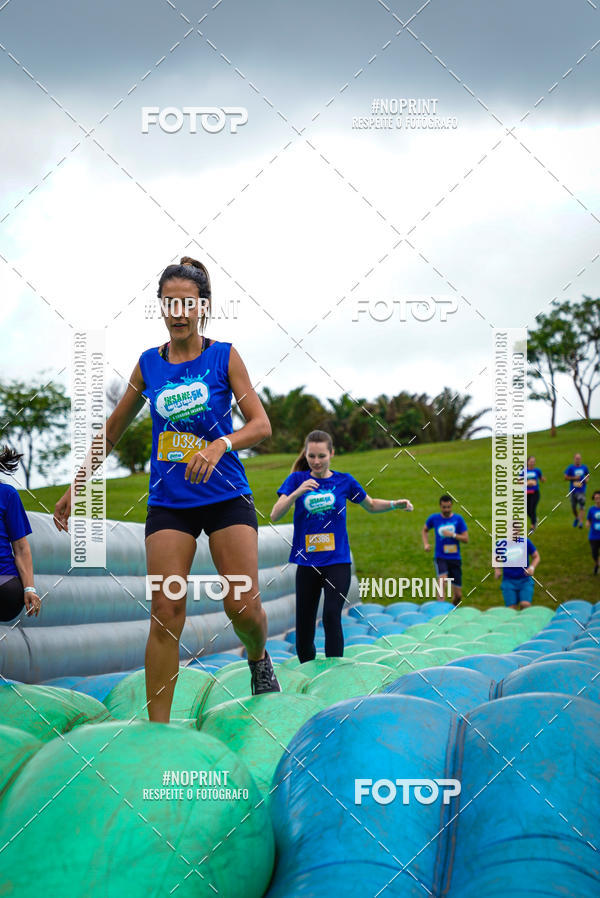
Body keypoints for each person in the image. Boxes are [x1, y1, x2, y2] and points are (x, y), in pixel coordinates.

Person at [54, 256, 280, 723]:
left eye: (187, 303)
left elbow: (261, 426)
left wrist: (220, 444)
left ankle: (257, 656)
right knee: (165, 607)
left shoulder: (224, 356)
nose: (178, 312)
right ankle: (159, 731)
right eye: (169, 302)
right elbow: (113, 431)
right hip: (170, 504)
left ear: (203, 307)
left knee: (241, 603)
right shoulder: (148, 365)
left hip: (226, 497)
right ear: (160, 306)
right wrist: (78, 486)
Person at [270, 430, 413, 663]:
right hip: (307, 564)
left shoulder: (344, 481)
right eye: (312, 456)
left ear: (332, 454)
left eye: (322, 456)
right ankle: (307, 673)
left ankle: (334, 672)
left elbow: (371, 505)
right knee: (304, 623)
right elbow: (275, 514)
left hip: (337, 561)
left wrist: (395, 504)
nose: (316, 461)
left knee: (331, 616)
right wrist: (297, 493)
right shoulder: (296, 480)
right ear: (305, 454)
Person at [0, 447, 41, 622]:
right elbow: (21, 549)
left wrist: (29, 588)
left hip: (6, 589)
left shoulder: (7, 495)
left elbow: (21, 548)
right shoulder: (8, 494)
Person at [422, 495, 468, 606]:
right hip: (441, 556)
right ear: (440, 506)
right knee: (442, 581)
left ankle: (450, 611)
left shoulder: (458, 519)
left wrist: (452, 535)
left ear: (451, 506)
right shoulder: (434, 518)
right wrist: (426, 544)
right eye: (444, 507)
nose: (446, 510)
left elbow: (466, 539)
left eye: (448, 507)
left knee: (458, 595)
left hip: (455, 558)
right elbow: (425, 530)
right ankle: (440, 610)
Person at [494, 525, 540, 609]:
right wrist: (497, 569)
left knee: (525, 605)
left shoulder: (526, 542)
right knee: (511, 609)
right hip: (508, 581)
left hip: (525, 580)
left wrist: (532, 567)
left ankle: (525, 621)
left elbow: (536, 556)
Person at [564, 452, 590, 528]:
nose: (578, 460)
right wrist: (574, 478)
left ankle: (581, 523)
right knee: (573, 507)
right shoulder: (570, 468)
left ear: (581, 459)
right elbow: (565, 477)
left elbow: (587, 476)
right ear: (574, 459)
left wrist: (586, 480)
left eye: (579, 458)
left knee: (582, 506)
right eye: (576, 458)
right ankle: (577, 518)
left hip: (581, 491)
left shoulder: (584, 467)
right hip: (573, 491)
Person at [525, 455, 545, 532]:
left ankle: (532, 526)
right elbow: (518, 481)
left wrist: (543, 479)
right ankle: (535, 519)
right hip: (526, 493)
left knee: (533, 508)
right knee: (527, 510)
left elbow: (541, 478)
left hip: (535, 493)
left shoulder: (537, 471)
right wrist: (527, 483)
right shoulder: (524, 471)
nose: (532, 463)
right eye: (531, 462)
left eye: (533, 462)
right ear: (527, 462)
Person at [586, 490, 600, 575]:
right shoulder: (591, 509)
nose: (598, 500)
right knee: (594, 554)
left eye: (599, 498)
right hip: (593, 536)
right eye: (596, 498)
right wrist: (587, 523)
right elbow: (588, 519)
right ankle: (597, 564)